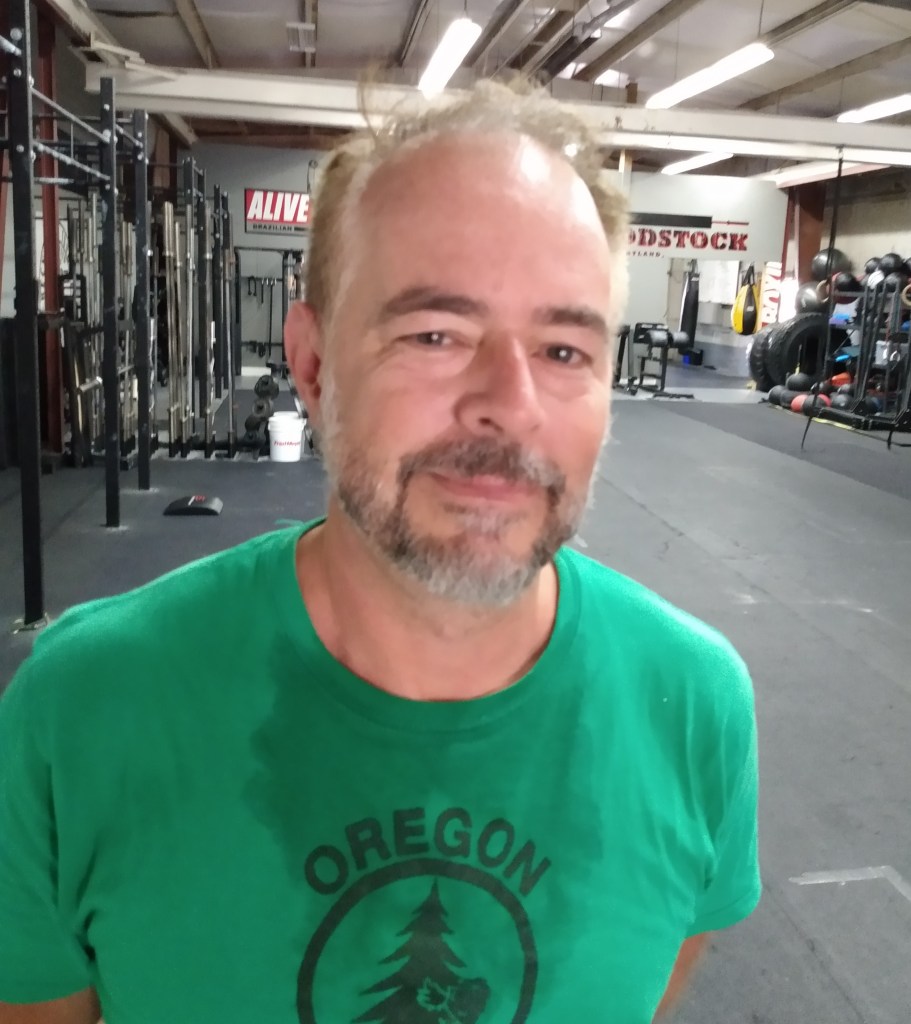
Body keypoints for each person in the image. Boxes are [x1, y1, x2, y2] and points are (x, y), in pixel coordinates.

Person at [0, 79, 759, 1024]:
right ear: (314, 367)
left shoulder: (694, 707)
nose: (511, 405)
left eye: (563, 351)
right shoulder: (85, 709)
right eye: (435, 334)